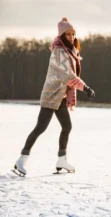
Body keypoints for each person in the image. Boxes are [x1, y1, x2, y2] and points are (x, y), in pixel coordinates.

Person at [13, 17, 96, 177]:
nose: (71, 37)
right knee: (40, 127)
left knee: (67, 126)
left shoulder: (70, 51)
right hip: (51, 96)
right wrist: (85, 88)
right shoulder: (59, 52)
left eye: (73, 34)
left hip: (61, 97)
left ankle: (61, 159)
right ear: (62, 36)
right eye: (68, 34)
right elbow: (68, 75)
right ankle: (21, 160)